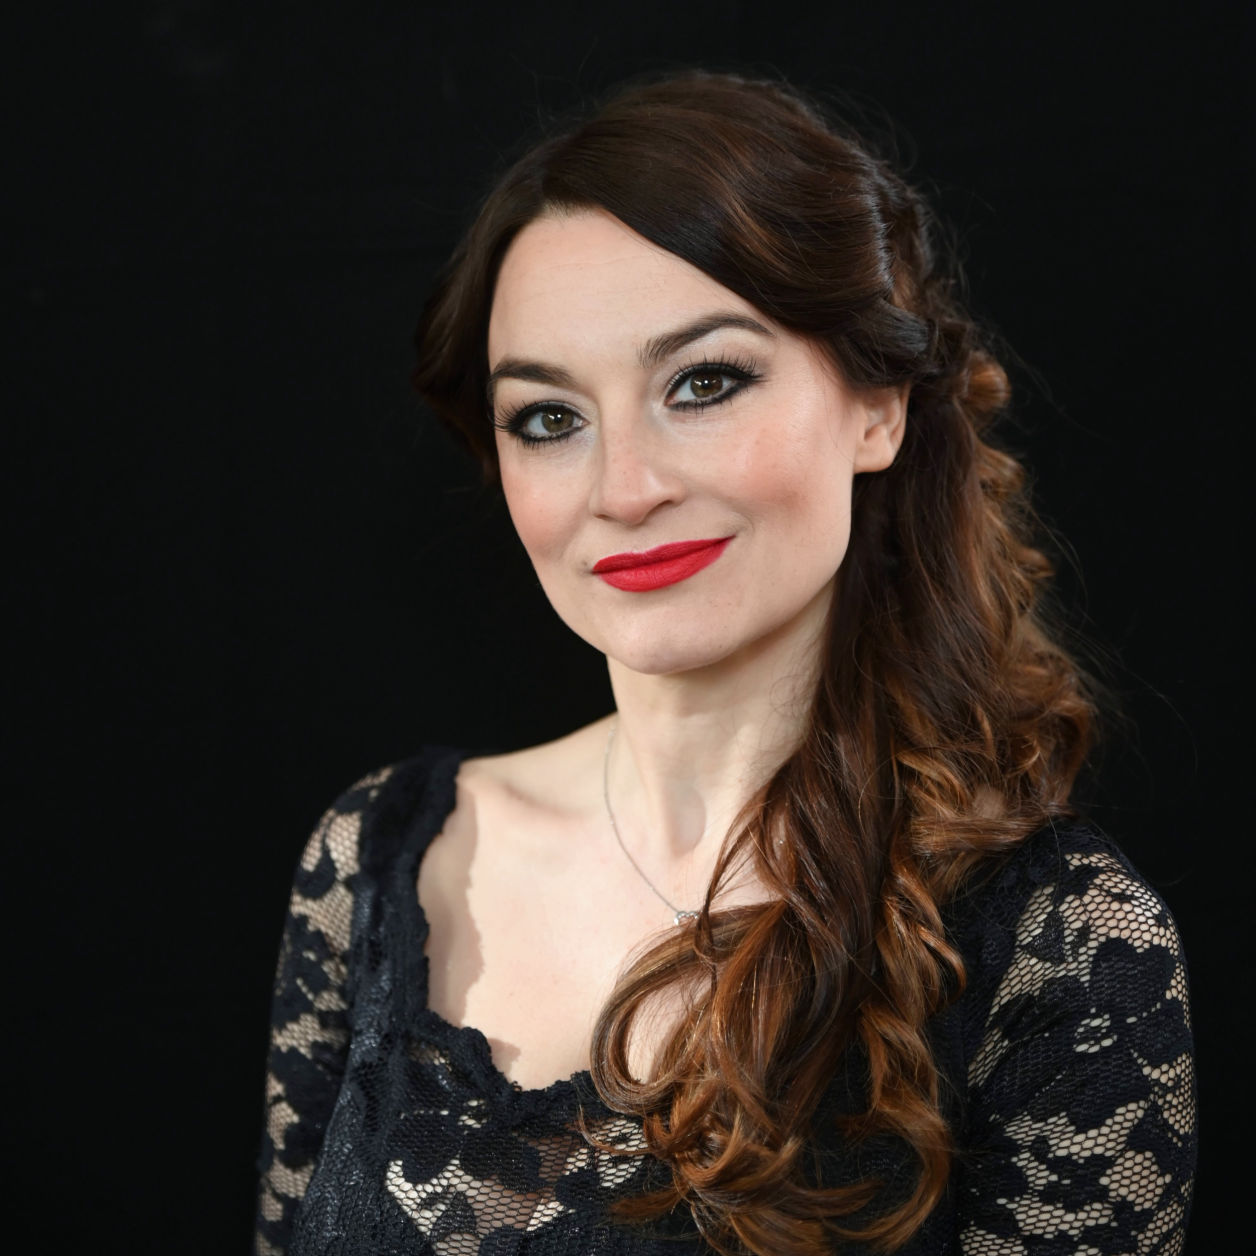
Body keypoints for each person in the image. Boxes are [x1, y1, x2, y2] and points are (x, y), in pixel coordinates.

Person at [254, 72, 1196, 1255]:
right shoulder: (376, 858)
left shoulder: (1057, 942)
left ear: (876, 406)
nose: (623, 488)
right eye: (549, 418)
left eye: (702, 383)